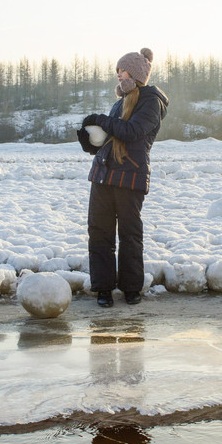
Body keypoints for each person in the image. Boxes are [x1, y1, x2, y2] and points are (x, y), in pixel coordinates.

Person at [77, 48, 169, 307]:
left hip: (130, 178)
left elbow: (132, 131)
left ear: (137, 73)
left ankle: (131, 289)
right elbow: (109, 139)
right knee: (99, 233)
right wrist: (90, 143)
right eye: (117, 70)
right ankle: (103, 289)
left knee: (129, 235)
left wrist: (102, 120)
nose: (118, 74)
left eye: (123, 70)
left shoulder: (151, 101)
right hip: (103, 176)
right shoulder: (121, 101)